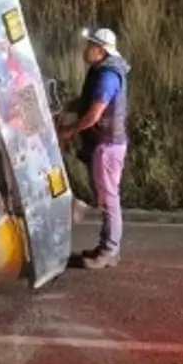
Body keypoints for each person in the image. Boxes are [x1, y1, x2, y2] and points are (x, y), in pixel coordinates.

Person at [57, 27, 131, 270]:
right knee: (106, 197)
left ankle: (109, 251)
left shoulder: (107, 77)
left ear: (100, 50)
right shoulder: (102, 71)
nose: (85, 50)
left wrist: (70, 130)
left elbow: (93, 115)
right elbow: (86, 103)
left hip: (106, 146)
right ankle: (107, 248)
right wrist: (64, 108)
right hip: (106, 144)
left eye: (89, 46)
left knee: (109, 200)